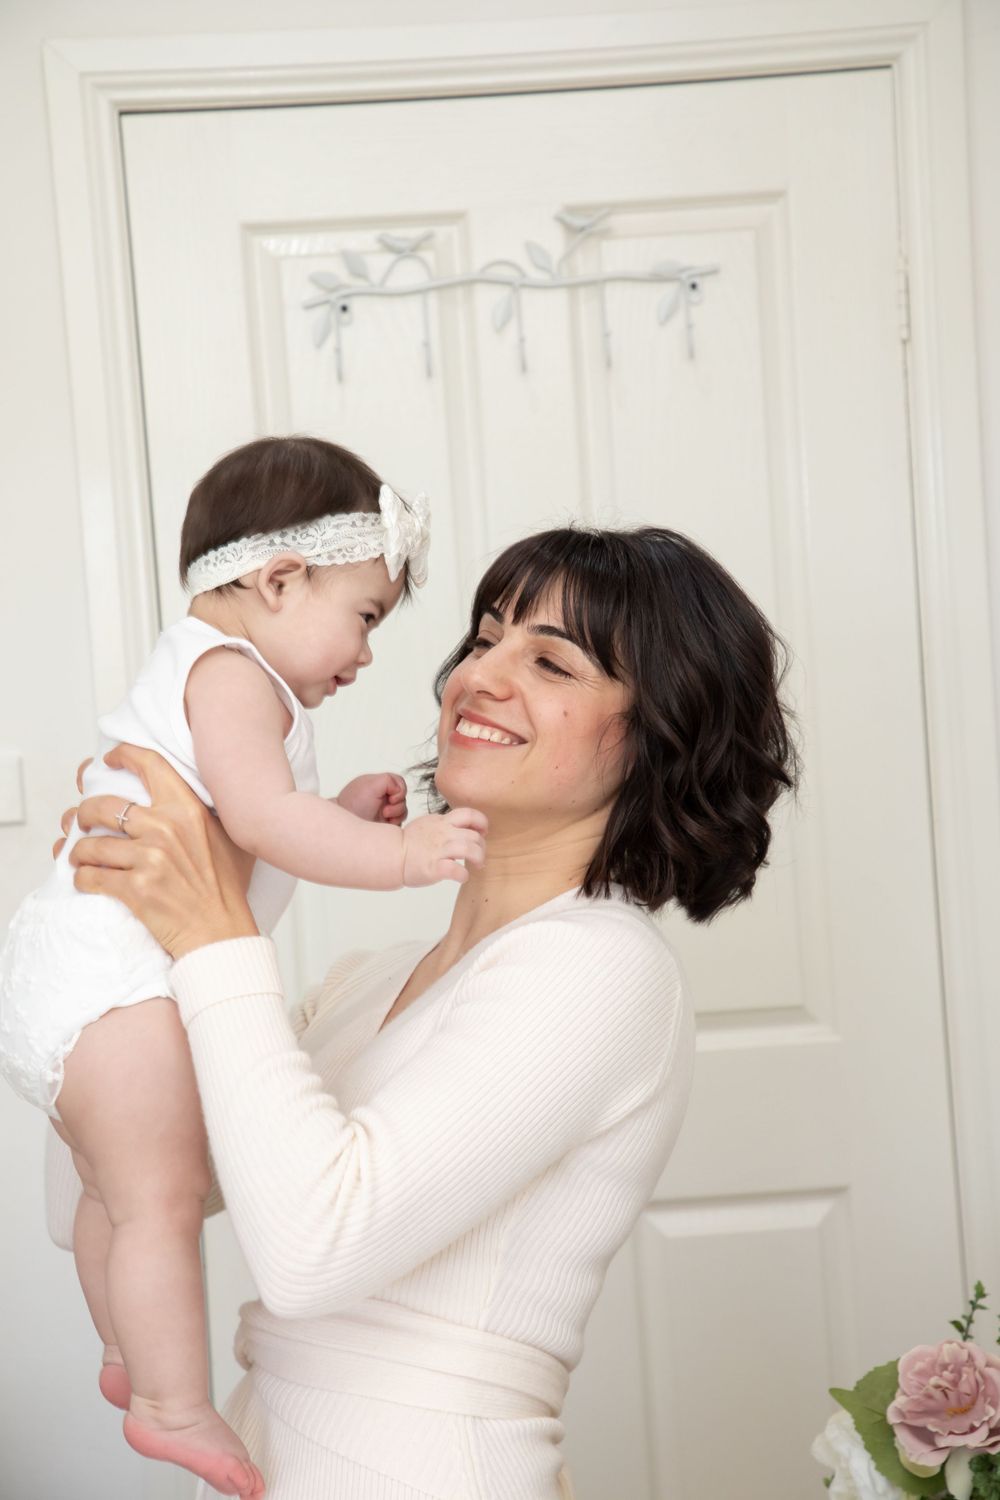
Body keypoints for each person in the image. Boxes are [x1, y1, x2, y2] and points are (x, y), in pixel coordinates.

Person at [47, 522, 800, 1500]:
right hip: (267, 1446)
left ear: (661, 731)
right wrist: (103, 954)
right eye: (483, 640)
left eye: (551, 663)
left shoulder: (605, 969)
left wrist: (209, 932)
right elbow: (111, 1194)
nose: (479, 677)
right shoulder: (373, 979)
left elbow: (315, 1251)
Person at [0, 436, 487, 1499]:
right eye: (363, 618)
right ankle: (174, 1404)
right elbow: (265, 820)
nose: (363, 656)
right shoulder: (235, 677)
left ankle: (129, 1351)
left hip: (74, 971)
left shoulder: (209, 674)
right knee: (161, 1200)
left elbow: (250, 827)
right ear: (276, 580)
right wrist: (402, 855)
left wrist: (339, 815)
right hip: (118, 976)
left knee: (112, 1195)